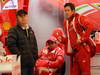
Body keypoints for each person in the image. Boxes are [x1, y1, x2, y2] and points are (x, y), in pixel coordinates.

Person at [64, 3, 95, 75]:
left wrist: (82, 39)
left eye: (68, 10)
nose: (66, 12)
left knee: (85, 73)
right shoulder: (66, 23)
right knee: (74, 73)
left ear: (73, 11)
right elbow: (69, 39)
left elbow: (90, 26)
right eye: (65, 11)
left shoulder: (79, 18)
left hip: (83, 50)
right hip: (75, 53)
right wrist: (62, 40)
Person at [7, 10, 38, 75]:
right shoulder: (13, 30)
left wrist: (35, 58)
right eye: (21, 17)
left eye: (25, 16)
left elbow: (35, 44)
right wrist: (20, 57)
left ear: (27, 17)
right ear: (17, 18)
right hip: (20, 65)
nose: (23, 19)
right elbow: (10, 44)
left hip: (31, 63)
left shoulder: (30, 30)